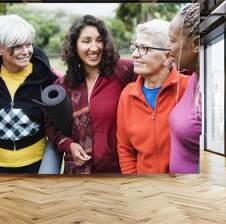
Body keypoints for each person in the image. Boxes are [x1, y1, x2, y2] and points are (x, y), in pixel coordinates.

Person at [47, 15, 135, 174]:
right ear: (74, 46)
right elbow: (50, 124)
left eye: (99, 40)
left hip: (117, 170)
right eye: (86, 41)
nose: (94, 48)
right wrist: (69, 145)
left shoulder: (123, 72)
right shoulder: (63, 85)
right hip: (77, 172)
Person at [0, 15, 59, 174]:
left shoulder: (46, 77)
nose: (26, 52)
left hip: (37, 166)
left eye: (29, 44)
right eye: (18, 46)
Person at [117, 19, 190, 174]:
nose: (135, 54)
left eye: (145, 48)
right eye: (135, 47)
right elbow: (125, 149)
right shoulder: (127, 95)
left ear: (168, 56)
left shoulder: (189, 88)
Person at [168, 4, 202, 173]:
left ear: (196, 44)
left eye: (173, 41)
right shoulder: (196, 77)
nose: (169, 47)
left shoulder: (215, 91)